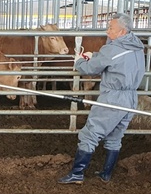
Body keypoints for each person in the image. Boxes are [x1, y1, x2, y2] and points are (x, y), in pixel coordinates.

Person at [57, 13, 145, 184]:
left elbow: (90, 69)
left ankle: (77, 173)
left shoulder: (113, 49)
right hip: (131, 97)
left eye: (110, 28)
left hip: (113, 98)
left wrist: (79, 62)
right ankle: (106, 173)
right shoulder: (137, 46)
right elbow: (112, 58)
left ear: (121, 31)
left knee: (90, 133)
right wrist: (95, 54)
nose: (107, 31)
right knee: (115, 136)